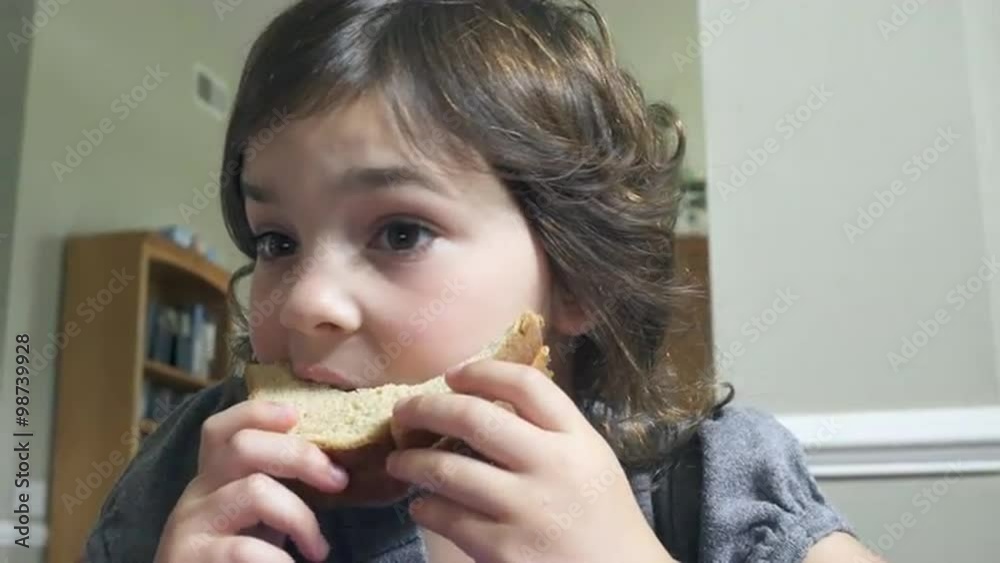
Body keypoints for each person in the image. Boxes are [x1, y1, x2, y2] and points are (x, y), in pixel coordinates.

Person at [84, 1, 883, 561]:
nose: (305, 301)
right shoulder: (190, 469)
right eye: (277, 239)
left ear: (576, 275)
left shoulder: (709, 482)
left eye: (400, 231)